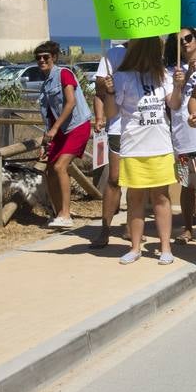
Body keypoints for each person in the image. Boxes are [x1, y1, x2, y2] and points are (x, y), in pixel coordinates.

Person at [96, 36, 184, 265]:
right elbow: (112, 113)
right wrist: (109, 92)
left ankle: (166, 248)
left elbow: (173, 104)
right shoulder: (122, 77)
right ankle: (135, 247)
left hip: (160, 145)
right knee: (135, 198)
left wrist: (178, 87)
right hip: (133, 146)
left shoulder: (163, 75)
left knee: (161, 197)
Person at [35, 41, 91, 229]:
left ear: (54, 58)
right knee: (50, 169)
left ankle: (66, 214)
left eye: (46, 57)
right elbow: (49, 116)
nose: (42, 61)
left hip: (77, 126)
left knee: (60, 167)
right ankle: (58, 213)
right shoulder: (45, 84)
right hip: (59, 131)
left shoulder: (64, 74)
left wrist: (54, 129)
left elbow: (70, 103)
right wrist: (46, 141)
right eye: (38, 58)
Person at [165, 28, 196, 245]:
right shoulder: (172, 72)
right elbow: (173, 102)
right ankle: (188, 227)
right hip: (181, 138)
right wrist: (181, 80)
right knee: (186, 183)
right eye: (180, 41)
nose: (185, 43)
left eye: (188, 38)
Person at [90, 40, 127, 249]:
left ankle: (132, 225)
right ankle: (105, 229)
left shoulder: (151, 54)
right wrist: (99, 117)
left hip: (142, 127)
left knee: (139, 182)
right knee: (114, 178)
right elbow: (98, 88)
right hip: (118, 125)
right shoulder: (113, 54)